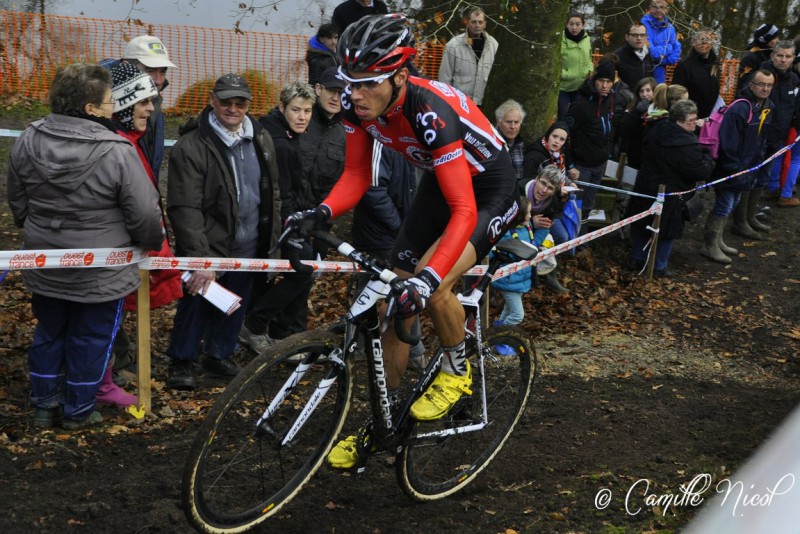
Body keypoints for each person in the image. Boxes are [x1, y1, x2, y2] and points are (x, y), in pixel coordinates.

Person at [286, 14, 518, 468]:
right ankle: (383, 421)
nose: (353, 94)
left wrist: (429, 278)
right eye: (349, 83)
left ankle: (456, 369)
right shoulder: (358, 105)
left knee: (434, 288)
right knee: (394, 300)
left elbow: (466, 210)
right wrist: (321, 212)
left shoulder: (429, 110)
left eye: (367, 83)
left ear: (399, 76)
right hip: (442, 182)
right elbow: (355, 174)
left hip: (491, 190)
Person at [7, 63, 163, 429]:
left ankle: (44, 405)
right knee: (91, 338)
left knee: (49, 332)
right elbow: (144, 213)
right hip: (101, 272)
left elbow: (17, 199)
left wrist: (41, 234)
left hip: (46, 262)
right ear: (90, 108)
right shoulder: (118, 151)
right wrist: (148, 243)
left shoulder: (27, 138)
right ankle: (77, 411)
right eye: (109, 100)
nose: (114, 106)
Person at [165, 73, 281, 390]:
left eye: (239, 102)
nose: (232, 108)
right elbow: (184, 207)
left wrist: (272, 241)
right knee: (196, 301)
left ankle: (219, 354)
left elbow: (272, 192)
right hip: (208, 243)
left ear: (248, 105)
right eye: (225, 101)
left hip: (249, 242)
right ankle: (182, 360)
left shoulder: (261, 138)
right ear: (212, 101)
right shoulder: (192, 145)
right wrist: (200, 258)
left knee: (235, 302)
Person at [106, 62, 183, 406]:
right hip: (112, 259)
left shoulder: (131, 143)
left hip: (122, 257)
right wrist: (157, 247)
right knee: (100, 326)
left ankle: (98, 380)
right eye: (144, 103)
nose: (152, 110)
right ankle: (93, 386)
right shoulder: (118, 147)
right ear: (124, 104)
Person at [239, 82, 318, 351]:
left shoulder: (278, 132)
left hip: (274, 220)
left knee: (266, 278)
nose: (302, 116)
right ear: (282, 107)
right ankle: (254, 324)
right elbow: (281, 192)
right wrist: (293, 229)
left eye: (307, 111)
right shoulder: (281, 144)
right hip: (276, 223)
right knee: (303, 272)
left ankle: (254, 326)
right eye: (296, 110)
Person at [626, 99, 714, 276]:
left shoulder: (656, 130)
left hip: (647, 187)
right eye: (691, 120)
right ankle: (659, 266)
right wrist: (708, 156)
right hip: (672, 194)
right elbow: (699, 171)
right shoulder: (686, 145)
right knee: (667, 232)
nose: (695, 123)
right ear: (679, 121)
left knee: (643, 223)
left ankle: (637, 258)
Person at [700, 69, 774, 264]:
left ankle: (718, 240)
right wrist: (735, 169)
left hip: (749, 167)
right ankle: (709, 244)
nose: (765, 89)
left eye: (769, 85)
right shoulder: (740, 108)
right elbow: (728, 143)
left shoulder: (765, 107)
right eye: (761, 84)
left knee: (732, 203)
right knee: (724, 205)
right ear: (751, 85)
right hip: (731, 168)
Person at [564, 61, 618, 219]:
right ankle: (570, 242)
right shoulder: (580, 105)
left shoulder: (610, 101)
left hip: (599, 164)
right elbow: (564, 134)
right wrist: (570, 165)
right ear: (594, 80)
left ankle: (582, 241)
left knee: (588, 206)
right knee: (575, 207)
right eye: (601, 81)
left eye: (608, 82)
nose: (604, 85)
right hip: (581, 166)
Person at [119, 35, 178, 180]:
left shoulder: (155, 102)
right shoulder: (105, 108)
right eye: (150, 70)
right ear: (126, 66)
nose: (158, 80)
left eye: (162, 71)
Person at [758, 42, 800, 209]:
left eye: (788, 56)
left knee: (780, 158)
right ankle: (781, 192)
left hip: (784, 130)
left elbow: (794, 106)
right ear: (772, 56)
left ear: (793, 58)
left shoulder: (794, 79)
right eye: (780, 55)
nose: (783, 60)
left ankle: (774, 189)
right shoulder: (762, 76)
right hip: (762, 132)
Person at [437, 6, 498, 107]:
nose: (477, 25)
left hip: (484, 105)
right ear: (468, 23)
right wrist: (445, 105)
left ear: (485, 24)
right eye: (474, 22)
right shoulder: (453, 45)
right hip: (459, 104)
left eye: (480, 22)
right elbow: (444, 78)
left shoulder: (494, 45)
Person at [491, 196, 536, 327]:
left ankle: (499, 335)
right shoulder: (505, 233)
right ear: (519, 215)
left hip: (520, 279)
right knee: (517, 315)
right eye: (527, 213)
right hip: (508, 280)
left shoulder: (526, 228)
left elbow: (533, 246)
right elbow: (492, 250)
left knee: (509, 310)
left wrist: (545, 229)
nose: (530, 216)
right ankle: (502, 336)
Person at [671, 28, 721, 119]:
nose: (704, 42)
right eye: (700, 39)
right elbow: (676, 97)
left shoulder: (715, 66)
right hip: (689, 119)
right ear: (693, 42)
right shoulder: (684, 66)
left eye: (707, 39)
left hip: (709, 120)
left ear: (712, 42)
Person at [558, 12, 593, 120]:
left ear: (583, 25)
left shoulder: (586, 38)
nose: (574, 27)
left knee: (579, 115)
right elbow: (554, 62)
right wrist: (564, 74)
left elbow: (589, 58)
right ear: (566, 24)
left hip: (581, 85)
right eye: (571, 24)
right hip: (564, 87)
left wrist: (590, 70)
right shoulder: (560, 40)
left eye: (578, 24)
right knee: (563, 115)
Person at [619, 77, 657, 169]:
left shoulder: (659, 108)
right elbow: (624, 130)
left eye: (648, 91)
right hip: (635, 154)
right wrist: (636, 112)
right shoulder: (632, 107)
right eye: (641, 91)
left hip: (652, 155)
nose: (644, 94)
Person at [641, 0, 681, 84]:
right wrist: (669, 48)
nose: (658, 10)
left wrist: (659, 60)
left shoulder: (670, 28)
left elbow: (675, 57)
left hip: (661, 75)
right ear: (650, 9)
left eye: (662, 7)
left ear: (667, 9)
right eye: (655, 7)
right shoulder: (643, 26)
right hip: (644, 71)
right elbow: (652, 53)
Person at [614, 22, 656, 90]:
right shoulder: (617, 57)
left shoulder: (648, 55)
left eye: (642, 35)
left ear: (646, 37)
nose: (639, 38)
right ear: (627, 37)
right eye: (635, 35)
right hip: (625, 98)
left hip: (644, 97)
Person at [495, 99, 526, 188]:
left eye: (516, 122)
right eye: (508, 122)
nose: (513, 127)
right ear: (498, 121)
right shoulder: (491, 143)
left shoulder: (520, 143)